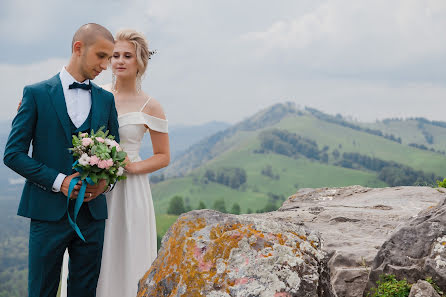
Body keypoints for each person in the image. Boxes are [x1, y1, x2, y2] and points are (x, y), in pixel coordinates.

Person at [3, 23, 119, 297]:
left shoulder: (106, 100)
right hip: (46, 213)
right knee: (41, 291)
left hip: (92, 216)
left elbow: (117, 154)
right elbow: (13, 154)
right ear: (78, 48)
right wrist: (59, 182)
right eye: (101, 56)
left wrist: (104, 186)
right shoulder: (36, 94)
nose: (106, 65)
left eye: (109, 58)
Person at [59, 29, 170, 297]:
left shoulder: (150, 106)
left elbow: (163, 156)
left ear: (140, 62)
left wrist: (129, 167)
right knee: (91, 252)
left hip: (130, 191)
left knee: (126, 249)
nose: (119, 61)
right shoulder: (97, 93)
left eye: (127, 56)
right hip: (94, 186)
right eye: (115, 55)